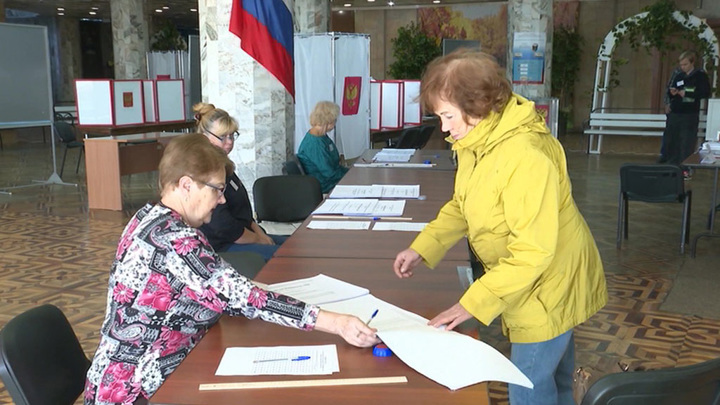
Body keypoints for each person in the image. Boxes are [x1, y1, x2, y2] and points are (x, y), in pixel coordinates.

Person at [84, 134, 379, 405]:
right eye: (217, 189)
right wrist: (337, 323)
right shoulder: (176, 240)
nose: (223, 199)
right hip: (138, 391)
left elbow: (216, 287)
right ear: (186, 185)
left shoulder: (149, 215)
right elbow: (244, 297)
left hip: (137, 375)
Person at [392, 50, 607, 405]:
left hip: (549, 284)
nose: (443, 127)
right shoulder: (477, 142)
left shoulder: (523, 156)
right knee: (556, 378)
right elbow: (464, 205)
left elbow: (532, 253)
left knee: (527, 385)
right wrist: (423, 247)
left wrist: (471, 304)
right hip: (531, 279)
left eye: (447, 115)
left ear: (477, 105)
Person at [194, 103, 285, 261]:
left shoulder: (224, 165)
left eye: (231, 135)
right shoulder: (205, 170)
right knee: (286, 256)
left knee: (295, 245)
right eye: (222, 137)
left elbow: (244, 213)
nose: (229, 142)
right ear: (204, 136)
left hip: (245, 234)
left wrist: (259, 233)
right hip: (223, 244)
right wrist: (259, 239)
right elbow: (224, 227)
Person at [658, 50, 710, 169]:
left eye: (685, 65)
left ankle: (685, 166)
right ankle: (670, 163)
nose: (683, 67)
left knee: (686, 140)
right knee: (672, 138)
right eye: (681, 65)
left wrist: (687, 93)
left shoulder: (700, 75)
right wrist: (673, 93)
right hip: (676, 112)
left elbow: (704, 92)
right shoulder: (679, 75)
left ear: (692, 63)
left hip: (689, 113)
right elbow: (672, 88)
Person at [297, 101, 348, 193]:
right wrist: (350, 173)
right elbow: (329, 173)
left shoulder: (321, 136)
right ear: (329, 120)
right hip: (325, 185)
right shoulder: (314, 143)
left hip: (331, 180)